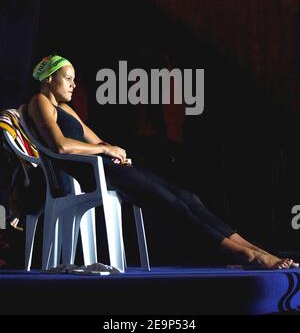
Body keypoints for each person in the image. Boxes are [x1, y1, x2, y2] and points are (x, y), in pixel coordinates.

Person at [28, 54, 299, 270]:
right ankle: (246, 256)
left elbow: (98, 143)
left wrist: (115, 151)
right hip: (89, 174)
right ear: (49, 79)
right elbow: (60, 145)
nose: (74, 84)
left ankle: (256, 250)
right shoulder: (40, 102)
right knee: (172, 204)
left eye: (74, 79)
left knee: (188, 197)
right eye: (68, 78)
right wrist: (107, 151)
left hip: (106, 168)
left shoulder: (66, 108)